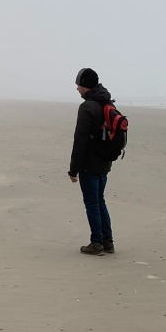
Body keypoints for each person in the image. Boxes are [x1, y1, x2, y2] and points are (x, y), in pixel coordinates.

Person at [68, 67, 115, 256]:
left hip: (89, 164)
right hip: (104, 162)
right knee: (99, 201)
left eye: (79, 85)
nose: (77, 88)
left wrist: (73, 170)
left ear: (85, 85)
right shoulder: (107, 103)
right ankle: (108, 241)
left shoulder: (87, 107)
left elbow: (80, 141)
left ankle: (96, 243)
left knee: (92, 204)